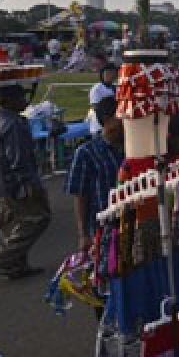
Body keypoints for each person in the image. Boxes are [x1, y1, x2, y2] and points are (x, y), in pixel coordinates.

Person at [0, 83, 51, 278]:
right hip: (18, 182)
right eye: (20, 97)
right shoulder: (13, 124)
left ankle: (16, 265)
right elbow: (19, 159)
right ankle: (2, 259)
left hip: (0, 180)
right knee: (37, 218)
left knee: (10, 224)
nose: (25, 100)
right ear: (8, 101)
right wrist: (30, 185)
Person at [65, 97, 124, 254]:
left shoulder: (128, 148)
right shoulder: (86, 153)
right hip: (102, 228)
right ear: (107, 120)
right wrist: (83, 234)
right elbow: (80, 195)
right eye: (122, 116)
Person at [88, 64, 119, 135]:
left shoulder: (115, 88)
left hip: (113, 126)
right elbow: (96, 107)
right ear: (102, 74)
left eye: (113, 73)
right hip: (99, 127)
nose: (111, 75)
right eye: (108, 73)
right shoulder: (97, 89)